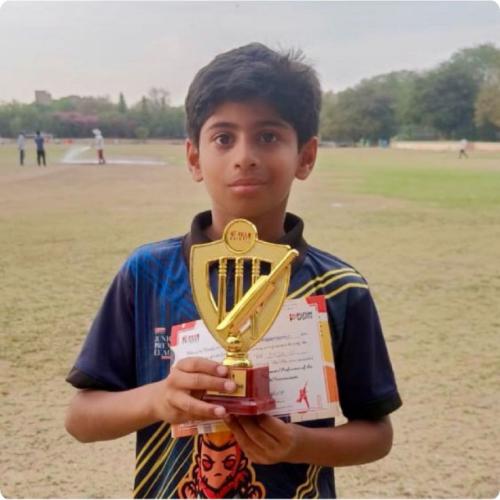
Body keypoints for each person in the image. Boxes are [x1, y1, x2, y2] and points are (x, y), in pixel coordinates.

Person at [65, 43, 402, 498]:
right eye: (224, 138)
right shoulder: (147, 274)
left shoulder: (339, 287)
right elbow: (81, 418)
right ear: (193, 158)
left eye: (268, 136)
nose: (245, 156)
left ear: (305, 156)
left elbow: (376, 433)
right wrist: (159, 398)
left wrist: (300, 444)